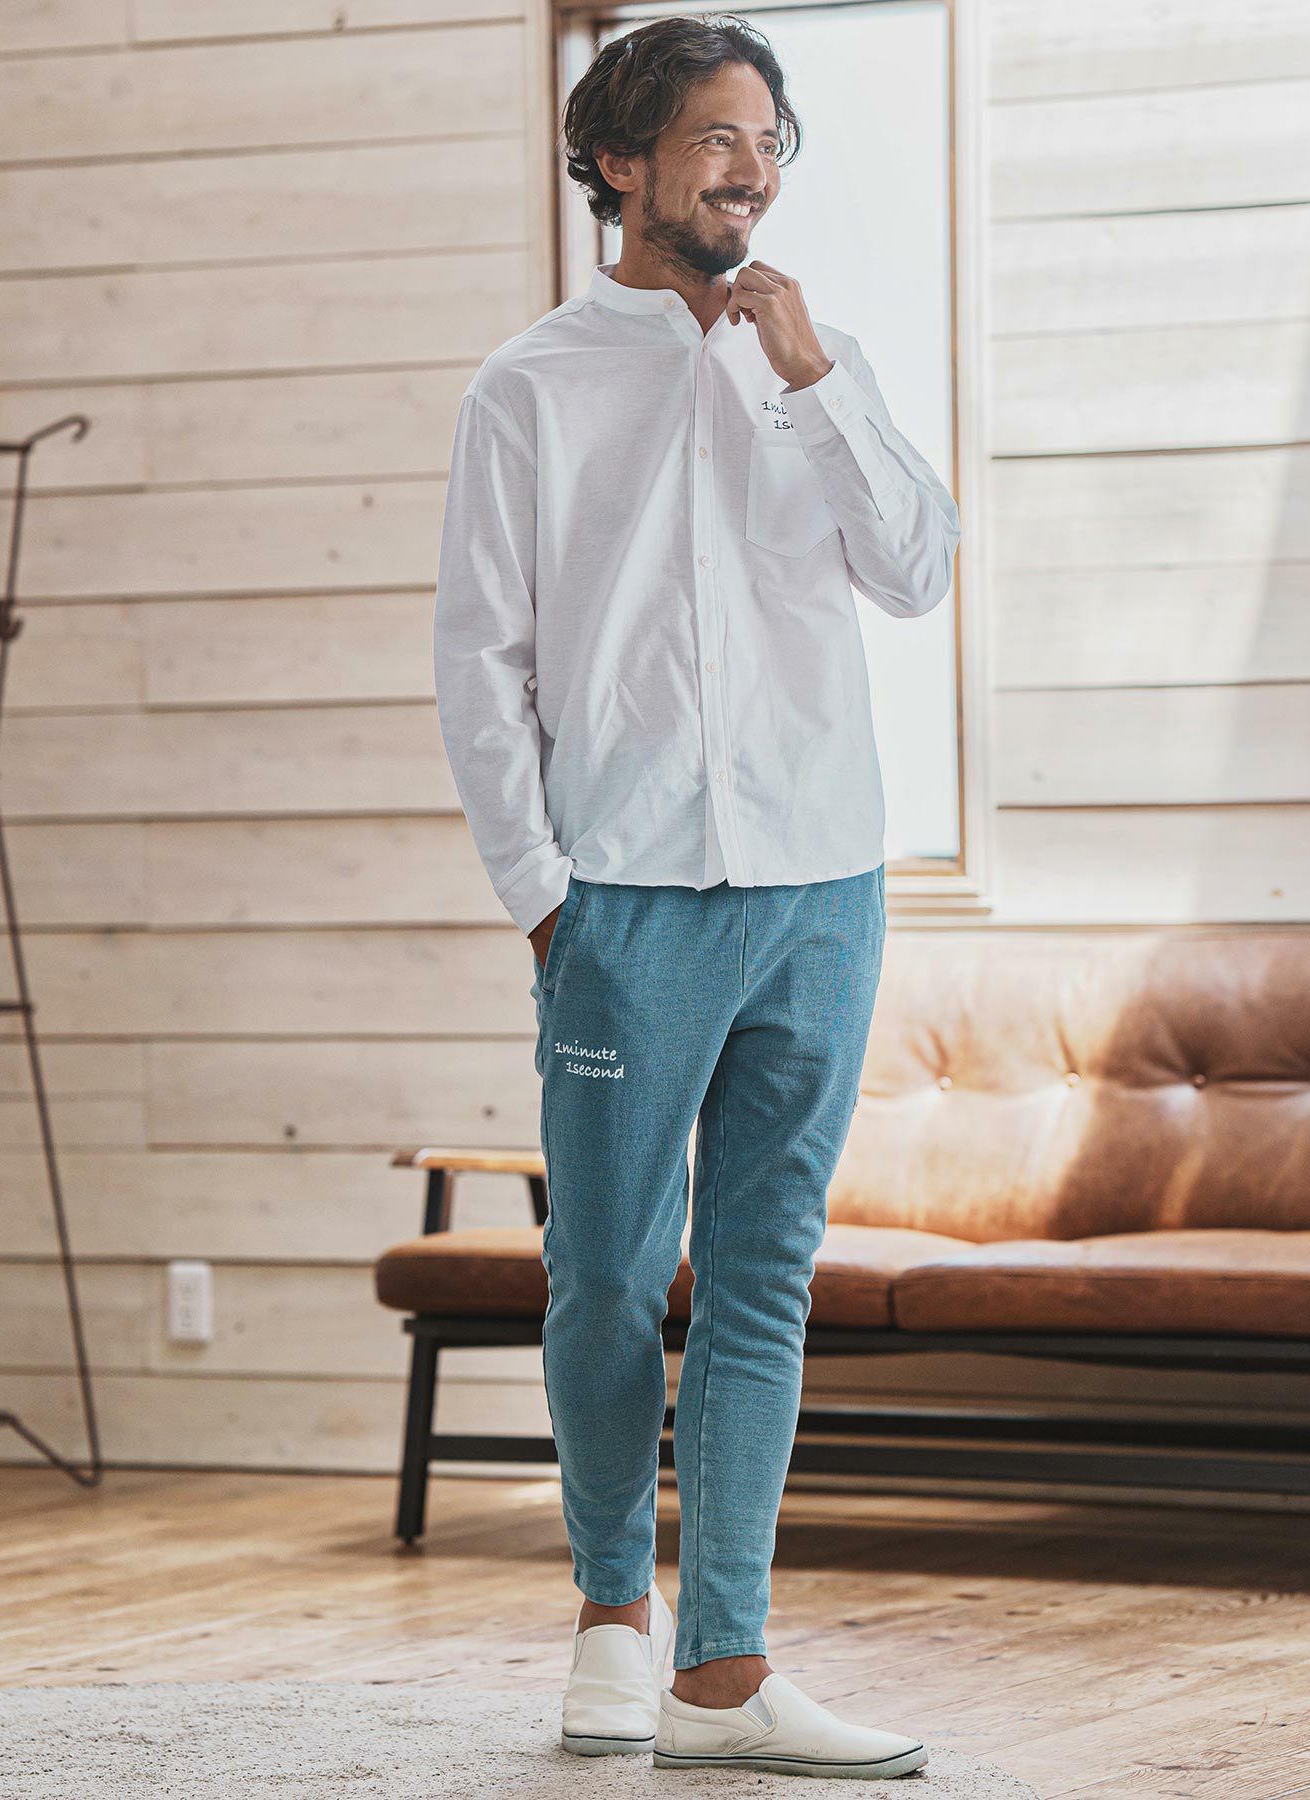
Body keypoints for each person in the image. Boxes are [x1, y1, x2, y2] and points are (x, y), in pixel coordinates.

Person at [432, 14, 959, 1780]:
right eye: (717, 139)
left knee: (760, 1278)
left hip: (823, 889)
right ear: (620, 162)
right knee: (602, 1273)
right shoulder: (530, 387)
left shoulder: (822, 363)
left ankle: (724, 1673)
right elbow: (480, 661)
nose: (751, 170)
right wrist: (545, 899)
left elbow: (916, 571)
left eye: (769, 142)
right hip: (627, 901)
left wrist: (816, 384)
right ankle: (612, 1613)